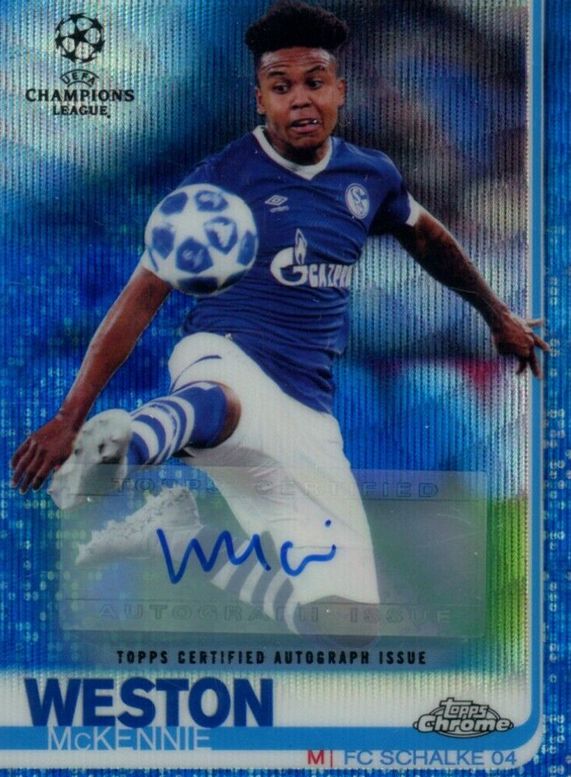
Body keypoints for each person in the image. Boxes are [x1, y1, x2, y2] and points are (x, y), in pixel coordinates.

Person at [11, 0, 546, 640]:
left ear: (338, 90)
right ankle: (131, 441)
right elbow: (142, 295)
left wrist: (498, 316)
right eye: (280, 86)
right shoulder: (221, 182)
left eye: (314, 82)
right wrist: (71, 416)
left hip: (306, 412)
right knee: (221, 400)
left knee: (348, 627)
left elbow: (430, 239)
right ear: (259, 99)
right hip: (226, 356)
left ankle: (174, 535)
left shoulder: (370, 177)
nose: (300, 100)